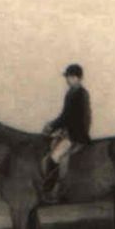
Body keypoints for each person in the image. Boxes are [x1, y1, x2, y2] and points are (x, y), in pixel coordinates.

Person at [42, 63, 92, 202]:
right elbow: (66, 116)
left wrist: (52, 126)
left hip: (76, 135)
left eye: (69, 77)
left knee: (53, 157)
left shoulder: (80, 94)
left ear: (77, 78)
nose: (67, 80)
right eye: (67, 77)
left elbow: (69, 117)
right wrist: (57, 128)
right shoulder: (71, 93)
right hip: (70, 131)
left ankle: (52, 192)